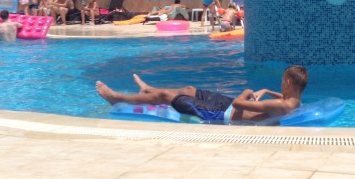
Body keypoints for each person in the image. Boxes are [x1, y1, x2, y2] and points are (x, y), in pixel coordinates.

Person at [95, 65, 308, 124]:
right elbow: (281, 101)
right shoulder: (294, 102)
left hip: (220, 114)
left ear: (288, 83)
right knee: (189, 89)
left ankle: (117, 98)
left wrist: (247, 92)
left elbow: (238, 103)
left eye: (282, 82)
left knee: (166, 96)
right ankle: (147, 89)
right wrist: (267, 91)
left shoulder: (280, 106)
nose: (281, 86)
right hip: (226, 105)